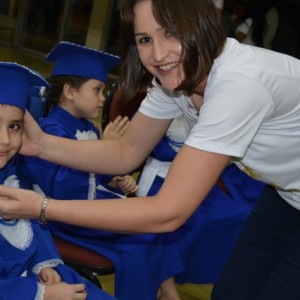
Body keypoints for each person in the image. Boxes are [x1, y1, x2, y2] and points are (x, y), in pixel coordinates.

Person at [0, 0, 299, 299]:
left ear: (203, 25)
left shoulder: (239, 86)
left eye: (170, 33)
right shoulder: (177, 79)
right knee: (234, 289)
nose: (158, 54)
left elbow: (168, 212)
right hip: (284, 193)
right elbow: (125, 152)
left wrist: (42, 207)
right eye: (145, 39)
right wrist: (40, 145)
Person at [20, 41, 184, 300]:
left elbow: (97, 176)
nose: (103, 98)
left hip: (94, 207)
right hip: (68, 219)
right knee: (139, 243)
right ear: (70, 92)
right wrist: (105, 147)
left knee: (154, 227)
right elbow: (60, 188)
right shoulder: (51, 130)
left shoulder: (90, 127)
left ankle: (168, 291)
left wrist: (117, 180)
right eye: (97, 90)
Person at [0, 62, 115, 300]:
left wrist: (43, 265)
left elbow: (33, 228)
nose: (5, 140)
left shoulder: (11, 175)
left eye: (14, 126)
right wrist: (39, 293)